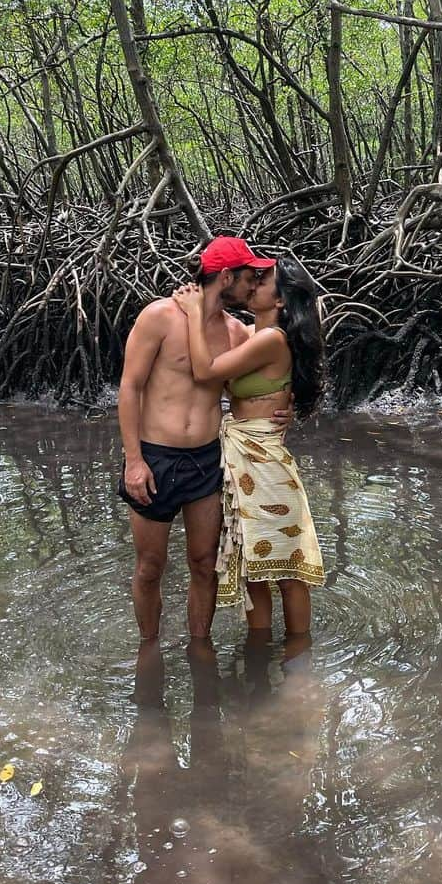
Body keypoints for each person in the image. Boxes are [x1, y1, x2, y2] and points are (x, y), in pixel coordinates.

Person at [117, 236, 278, 641]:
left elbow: (249, 390)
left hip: (208, 460)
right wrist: (134, 461)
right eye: (249, 277)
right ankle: (148, 648)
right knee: (150, 567)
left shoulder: (237, 333)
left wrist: (281, 409)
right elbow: (130, 387)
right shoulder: (159, 316)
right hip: (155, 459)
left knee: (204, 563)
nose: (254, 285)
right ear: (226, 277)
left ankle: (199, 648)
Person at [172, 256, 325, 635]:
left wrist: (193, 313)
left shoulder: (272, 339)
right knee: (254, 569)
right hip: (246, 459)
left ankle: (297, 663)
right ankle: (258, 660)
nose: (252, 284)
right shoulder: (255, 336)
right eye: (253, 278)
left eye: (263, 281)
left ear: (280, 302)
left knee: (288, 571)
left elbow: (206, 371)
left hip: (266, 464)